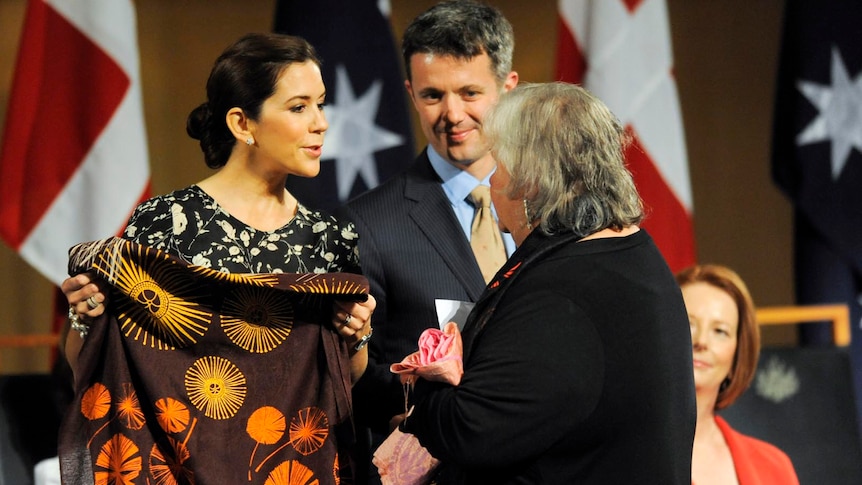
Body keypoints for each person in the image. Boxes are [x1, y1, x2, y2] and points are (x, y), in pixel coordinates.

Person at [59, 33, 375, 484]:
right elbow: (96, 362)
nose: (321, 123)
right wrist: (83, 316)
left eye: (321, 104)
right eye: (299, 106)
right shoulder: (164, 223)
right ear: (242, 123)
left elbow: (345, 379)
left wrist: (358, 335)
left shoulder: (330, 237)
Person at [402, 82, 697, 483]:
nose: (491, 183)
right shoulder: (632, 254)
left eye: (498, 166)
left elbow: (468, 430)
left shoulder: (562, 292)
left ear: (531, 181)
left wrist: (430, 383)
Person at [333, 2, 518, 479]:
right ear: (410, 93)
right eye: (433, 95)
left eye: (470, 92)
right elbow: (354, 373)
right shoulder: (369, 223)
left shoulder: (552, 208)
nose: (452, 114)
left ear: (508, 88)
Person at [676, 264, 800, 485]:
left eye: (720, 331)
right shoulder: (618, 452)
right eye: (688, 324)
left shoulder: (774, 467)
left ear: (737, 356)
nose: (701, 341)